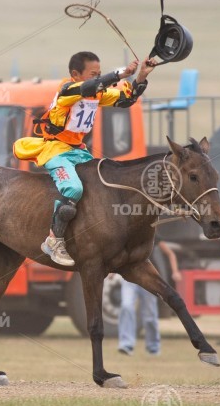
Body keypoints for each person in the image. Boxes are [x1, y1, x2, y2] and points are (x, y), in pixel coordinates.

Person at [13, 51, 155, 266]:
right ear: (75, 75)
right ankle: (54, 241)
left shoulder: (95, 94)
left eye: (99, 74)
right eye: (93, 74)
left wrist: (142, 75)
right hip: (56, 151)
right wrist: (120, 74)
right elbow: (90, 87)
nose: (98, 78)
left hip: (79, 152)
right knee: (73, 189)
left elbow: (127, 99)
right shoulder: (68, 90)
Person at [117, 240, 182, 356]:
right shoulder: (127, 234)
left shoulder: (153, 236)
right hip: (129, 278)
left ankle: (153, 346)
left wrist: (175, 271)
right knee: (126, 306)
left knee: (150, 315)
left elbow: (170, 253)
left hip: (148, 280)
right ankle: (126, 344)